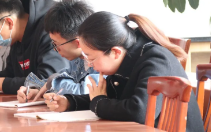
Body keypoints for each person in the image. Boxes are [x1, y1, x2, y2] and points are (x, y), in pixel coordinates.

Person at [45, 12, 204, 132]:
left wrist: (98, 101)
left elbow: (138, 111)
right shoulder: (125, 58)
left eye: (91, 58)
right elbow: (109, 99)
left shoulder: (155, 60)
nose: (90, 65)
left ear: (115, 52)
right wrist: (69, 102)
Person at [0, 0, 69, 95]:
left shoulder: (50, 28)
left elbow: (48, 81)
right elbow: (12, 74)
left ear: (9, 22)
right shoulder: (17, 35)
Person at [18, 0, 97, 103]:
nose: (55, 50)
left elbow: (83, 92)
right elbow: (61, 78)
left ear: (78, 43)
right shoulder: (76, 60)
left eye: (57, 44)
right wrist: (36, 90)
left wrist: (52, 81)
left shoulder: (100, 61)